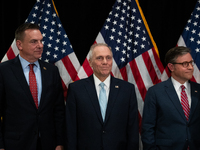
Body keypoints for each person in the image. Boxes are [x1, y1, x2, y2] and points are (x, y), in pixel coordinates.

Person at [0, 23, 65, 150]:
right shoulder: (4, 71)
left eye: (41, 41)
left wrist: (60, 142)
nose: (40, 45)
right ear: (19, 45)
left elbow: (59, 111)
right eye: (34, 41)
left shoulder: (52, 71)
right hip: (15, 144)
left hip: (48, 143)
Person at [65, 43, 139, 150]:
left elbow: (132, 129)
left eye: (108, 58)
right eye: (99, 58)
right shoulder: (76, 89)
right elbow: (70, 128)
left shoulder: (127, 90)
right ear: (90, 62)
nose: (105, 62)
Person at [142, 46, 200, 150]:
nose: (191, 67)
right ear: (171, 67)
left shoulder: (198, 90)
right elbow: (148, 128)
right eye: (185, 64)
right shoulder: (155, 92)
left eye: (191, 63)